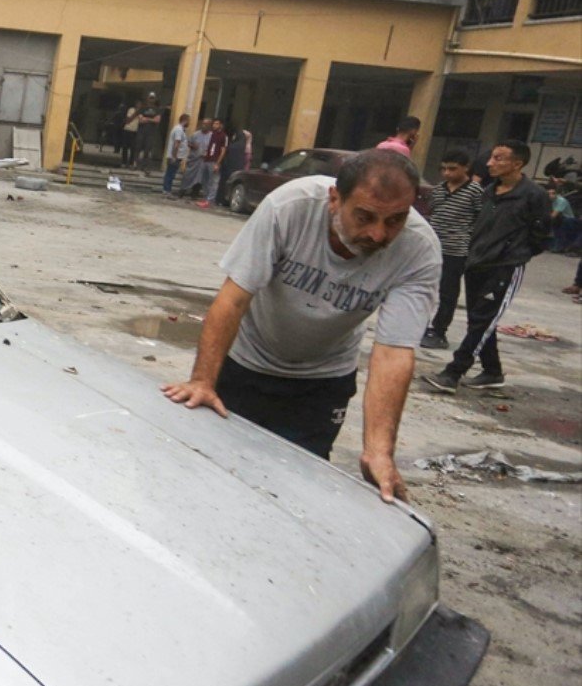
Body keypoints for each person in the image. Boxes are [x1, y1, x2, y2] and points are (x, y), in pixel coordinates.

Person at [161, 149, 441, 503]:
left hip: (323, 382)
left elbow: (393, 351)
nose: (379, 234)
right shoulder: (289, 207)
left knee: (297, 489)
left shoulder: (419, 249)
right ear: (335, 200)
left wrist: (379, 450)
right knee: (217, 474)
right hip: (248, 363)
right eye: (365, 216)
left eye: (395, 220)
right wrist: (202, 380)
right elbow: (234, 298)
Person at [424, 141, 550, 393]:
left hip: (504, 266)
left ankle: (453, 372)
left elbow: (541, 236)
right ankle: (492, 371)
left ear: (518, 163)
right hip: (477, 263)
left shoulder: (533, 195)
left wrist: (514, 253)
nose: (491, 163)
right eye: (492, 157)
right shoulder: (489, 191)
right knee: (479, 320)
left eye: (499, 158)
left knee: (483, 320)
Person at [419, 149, 484, 350]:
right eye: (444, 169)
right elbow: (432, 213)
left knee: (448, 293)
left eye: (452, 169)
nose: (447, 173)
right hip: (432, 247)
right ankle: (420, 326)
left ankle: (439, 331)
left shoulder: (475, 191)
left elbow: (481, 220)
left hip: (456, 250)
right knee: (424, 289)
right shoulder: (438, 189)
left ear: (465, 168)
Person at [216, 125, 253, 206]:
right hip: (238, 170)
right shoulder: (245, 146)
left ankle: (221, 200)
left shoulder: (235, 145)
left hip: (229, 170)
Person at [198, 118, 228, 208]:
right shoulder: (212, 134)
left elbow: (223, 150)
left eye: (217, 124)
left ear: (221, 125)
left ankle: (210, 200)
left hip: (215, 161)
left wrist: (218, 163)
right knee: (205, 180)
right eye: (214, 124)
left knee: (213, 181)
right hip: (208, 159)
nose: (214, 125)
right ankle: (206, 198)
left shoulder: (224, 136)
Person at [163, 113, 191, 196]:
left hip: (176, 156)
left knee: (171, 173)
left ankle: (167, 190)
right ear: (185, 120)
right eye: (189, 121)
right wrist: (174, 156)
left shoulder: (180, 129)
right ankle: (167, 190)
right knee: (170, 173)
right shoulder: (179, 130)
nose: (189, 123)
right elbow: (177, 143)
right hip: (175, 156)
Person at [135, 94, 163, 172]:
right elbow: (140, 120)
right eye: (150, 98)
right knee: (138, 148)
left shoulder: (157, 110)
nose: (151, 100)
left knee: (147, 150)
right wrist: (151, 119)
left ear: (155, 99)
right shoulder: (142, 108)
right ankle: (136, 165)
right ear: (148, 99)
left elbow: (157, 120)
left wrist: (146, 118)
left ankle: (144, 166)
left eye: (153, 98)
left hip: (151, 133)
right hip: (141, 132)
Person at [118, 101, 139, 166]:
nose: (139, 105)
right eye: (138, 103)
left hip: (135, 131)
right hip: (128, 129)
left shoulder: (142, 111)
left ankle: (131, 163)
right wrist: (136, 112)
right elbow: (128, 120)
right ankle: (124, 162)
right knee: (125, 147)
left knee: (133, 148)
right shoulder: (131, 110)